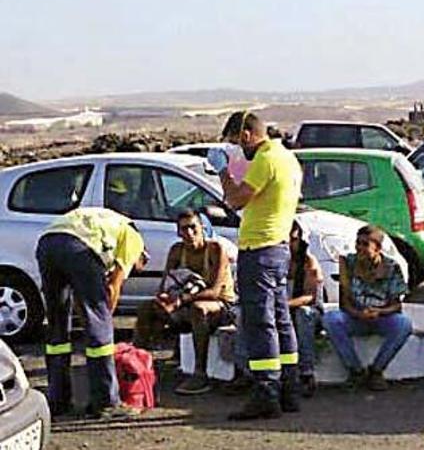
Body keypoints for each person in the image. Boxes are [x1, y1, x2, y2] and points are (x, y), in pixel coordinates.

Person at [209, 110, 302, 420]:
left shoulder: (265, 159)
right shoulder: (288, 158)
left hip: (259, 251)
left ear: (246, 135)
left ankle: (266, 392)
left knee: (260, 322)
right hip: (278, 249)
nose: (237, 149)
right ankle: (290, 388)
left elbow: (235, 200)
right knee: (281, 320)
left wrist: (223, 172)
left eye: (235, 143)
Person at [36, 207, 149, 420]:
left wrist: (89, 313)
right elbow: (113, 286)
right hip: (79, 247)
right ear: (141, 257)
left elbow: (83, 297)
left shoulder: (105, 221)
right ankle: (106, 403)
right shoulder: (134, 240)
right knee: (100, 331)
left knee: (57, 328)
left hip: (48, 243)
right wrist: (103, 317)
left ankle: (58, 399)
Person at [134, 210, 236, 396]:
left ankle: (200, 374)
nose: (189, 233)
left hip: (219, 306)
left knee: (198, 310)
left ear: (202, 229)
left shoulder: (215, 250)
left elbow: (215, 291)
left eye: (193, 228)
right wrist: (164, 300)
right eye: (184, 229)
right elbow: (165, 285)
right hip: (184, 305)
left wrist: (182, 300)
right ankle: (138, 365)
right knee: (147, 309)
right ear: (178, 232)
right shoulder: (176, 251)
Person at [323, 225, 413, 391]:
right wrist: (359, 313)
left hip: (381, 317)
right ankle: (355, 370)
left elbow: (396, 305)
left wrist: (379, 312)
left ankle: (376, 371)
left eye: (365, 244)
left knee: (404, 324)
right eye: (358, 243)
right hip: (355, 317)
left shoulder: (391, 267)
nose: (359, 248)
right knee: (331, 319)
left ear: (377, 248)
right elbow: (344, 303)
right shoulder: (348, 263)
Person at [287, 220, 324, 397]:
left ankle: (306, 373)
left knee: (304, 315)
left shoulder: (309, 262)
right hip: (283, 311)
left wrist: (286, 305)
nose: (288, 244)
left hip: (308, 312)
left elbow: (310, 297)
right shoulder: (278, 262)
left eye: (293, 239)